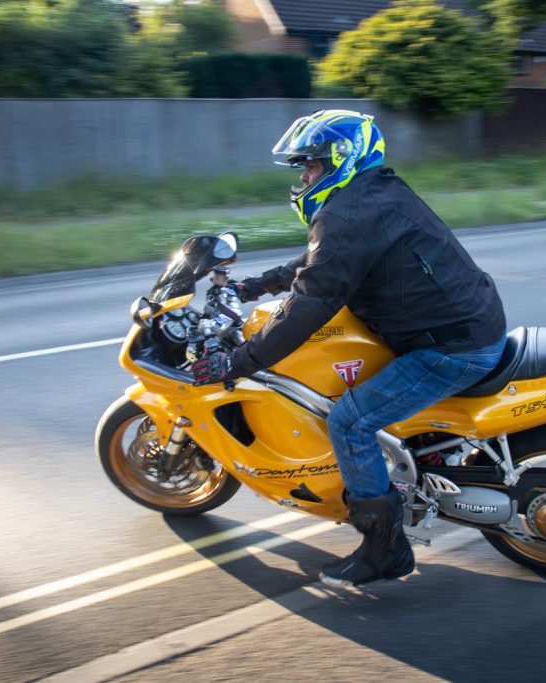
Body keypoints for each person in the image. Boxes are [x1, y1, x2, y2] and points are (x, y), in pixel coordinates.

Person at [191, 110, 507, 587]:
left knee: (351, 420)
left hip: (453, 347)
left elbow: (310, 302)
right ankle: (419, 467)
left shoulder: (350, 211)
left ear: (341, 159)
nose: (303, 177)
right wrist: (257, 285)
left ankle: (386, 550)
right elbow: (323, 261)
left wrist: (240, 361)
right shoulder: (373, 193)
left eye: (311, 165)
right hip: (461, 326)